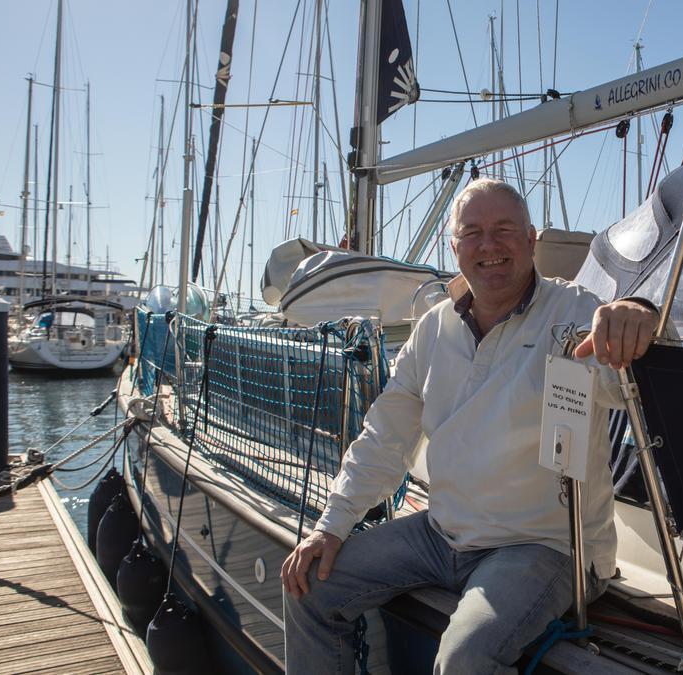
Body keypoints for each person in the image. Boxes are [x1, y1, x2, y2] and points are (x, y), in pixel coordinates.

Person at [281, 178, 660, 674]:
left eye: (504, 229)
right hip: (442, 533)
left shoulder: (576, 315)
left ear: (531, 239)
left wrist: (642, 318)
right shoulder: (433, 328)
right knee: (310, 587)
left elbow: (628, 376)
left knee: (464, 662)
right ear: (454, 246)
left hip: (542, 547)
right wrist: (331, 527)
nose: (489, 245)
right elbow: (385, 436)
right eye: (473, 232)